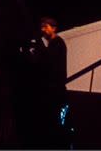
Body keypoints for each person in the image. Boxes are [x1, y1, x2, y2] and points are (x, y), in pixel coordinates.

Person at [20, 15, 68, 147]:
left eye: (45, 27)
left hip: (55, 89)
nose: (43, 30)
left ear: (53, 28)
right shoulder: (54, 45)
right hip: (55, 89)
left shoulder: (57, 43)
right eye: (41, 27)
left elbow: (47, 63)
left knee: (57, 123)